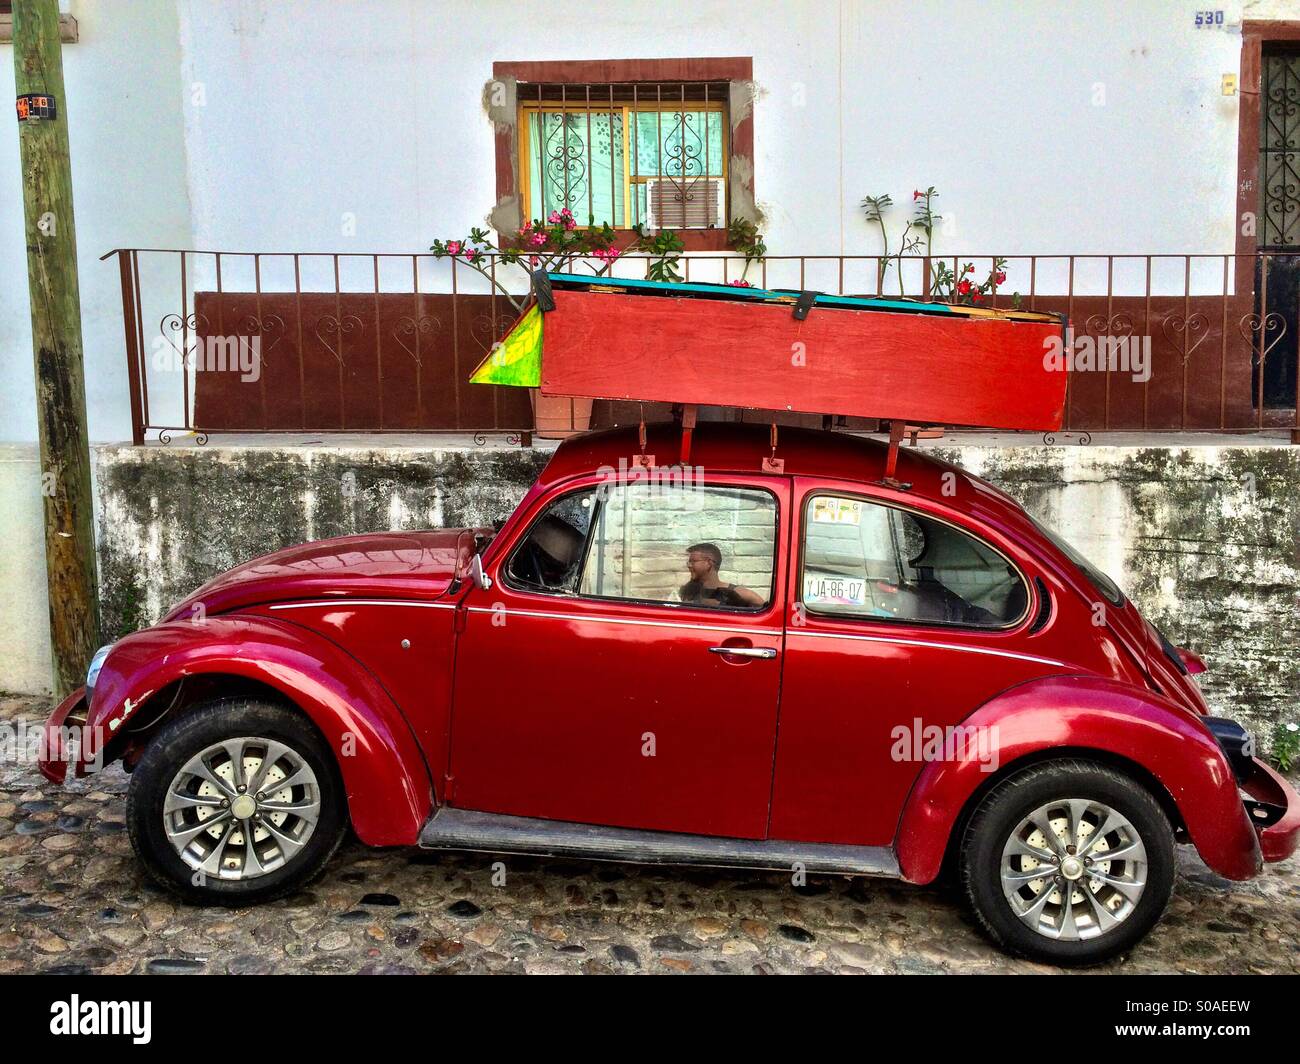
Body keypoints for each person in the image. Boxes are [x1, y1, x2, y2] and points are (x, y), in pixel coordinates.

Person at [679, 542, 764, 608]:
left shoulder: (739, 594)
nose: (689, 565)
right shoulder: (688, 591)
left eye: (693, 561)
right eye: (689, 562)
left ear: (709, 563)